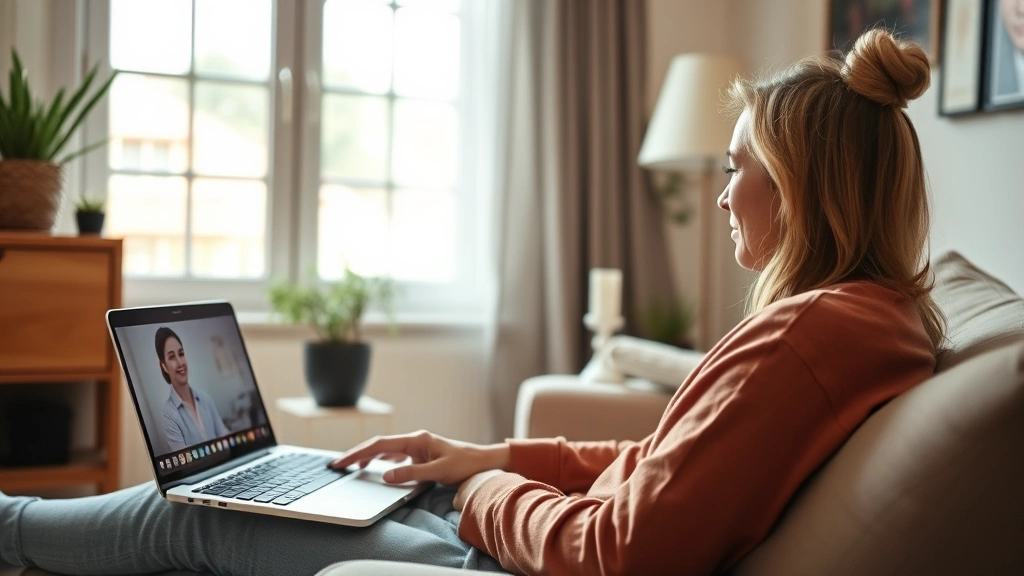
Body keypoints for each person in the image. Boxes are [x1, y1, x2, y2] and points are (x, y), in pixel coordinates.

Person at [1, 29, 943, 576]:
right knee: (320, 480)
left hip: (513, 565)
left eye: (739, 169)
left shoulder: (811, 336)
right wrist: (481, 457)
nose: (727, 192)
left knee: (204, 515)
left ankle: (11, 530)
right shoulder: (865, 317)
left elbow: (621, 548)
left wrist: (482, 490)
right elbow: (664, 464)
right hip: (516, 540)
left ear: (797, 187)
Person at [156, 326, 231, 452]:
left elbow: (223, 433)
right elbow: (185, 460)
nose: (180, 363)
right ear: (164, 366)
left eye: (181, 354)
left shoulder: (205, 398)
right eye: (172, 357)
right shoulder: (168, 413)